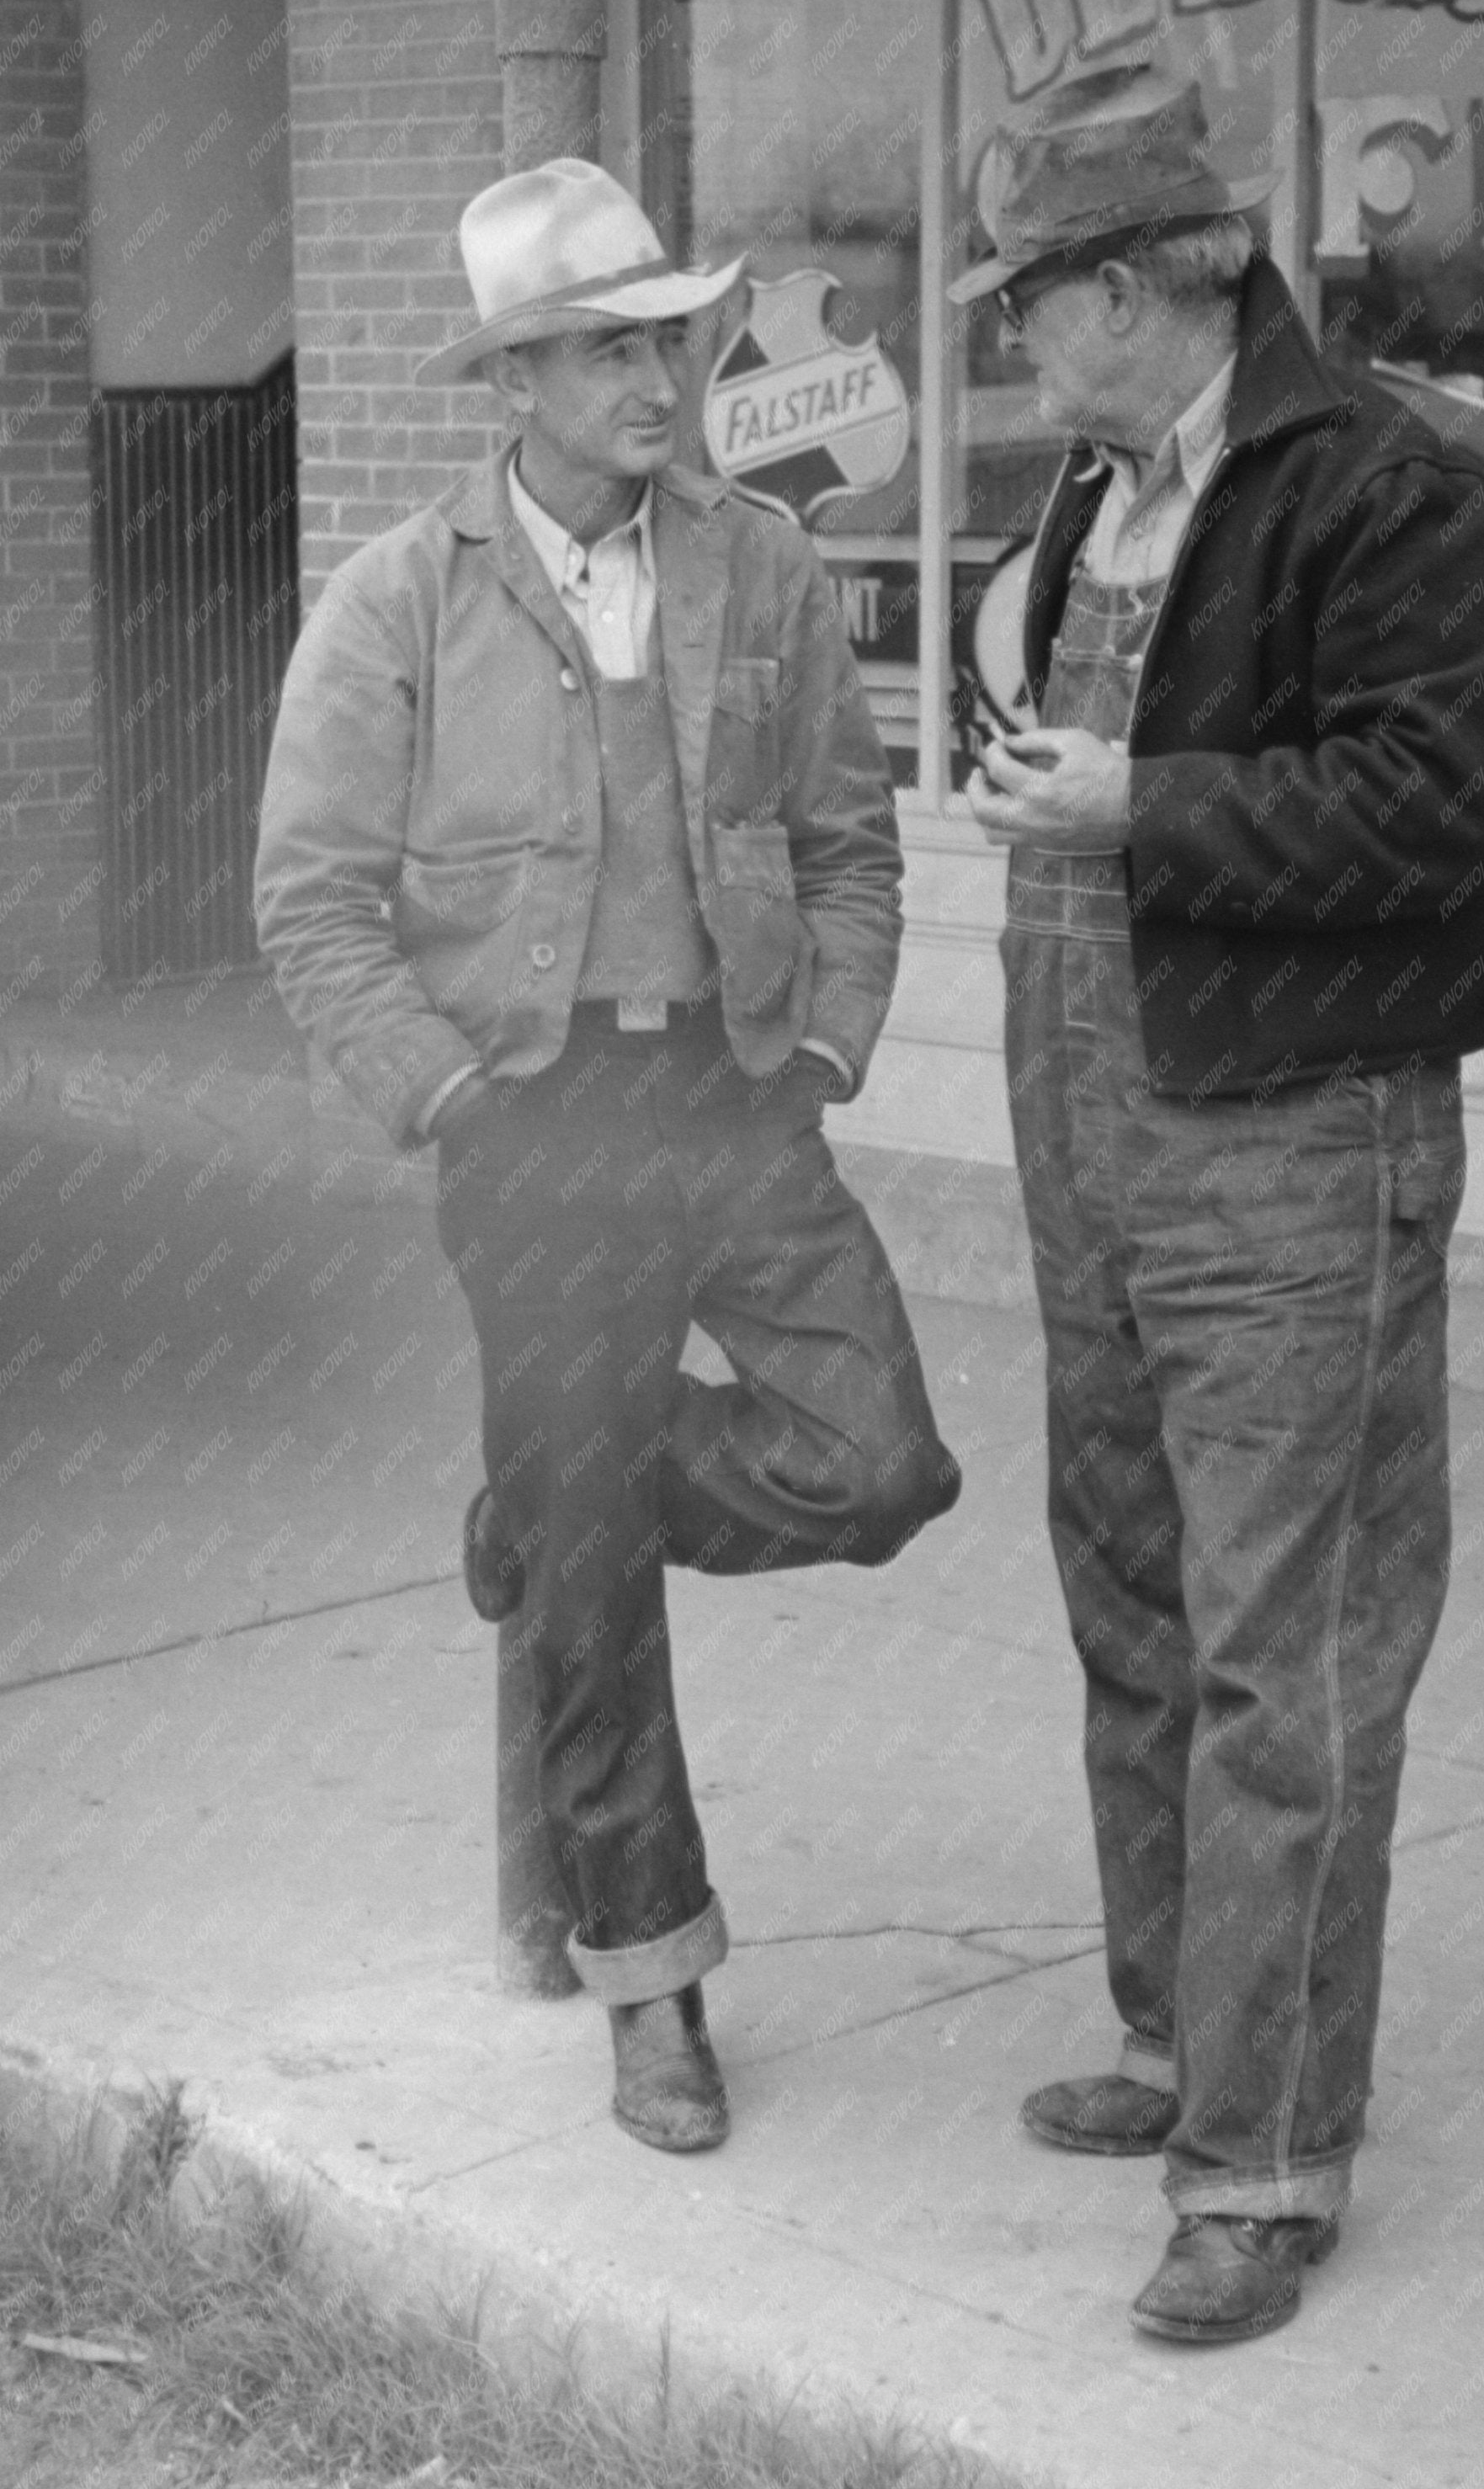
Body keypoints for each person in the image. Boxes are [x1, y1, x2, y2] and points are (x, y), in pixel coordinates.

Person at [254, 157, 960, 2155]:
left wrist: (822, 1042)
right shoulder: (401, 595)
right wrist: (453, 1098)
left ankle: (552, 1502)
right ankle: (652, 1982)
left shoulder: (761, 567)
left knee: (880, 1456)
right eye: (608, 347)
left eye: (671, 335)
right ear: (517, 381)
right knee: (600, 1599)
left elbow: (846, 836)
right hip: (531, 1127)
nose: (662, 373)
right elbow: (308, 900)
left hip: (732, 1102)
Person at [952, 66, 1484, 2343]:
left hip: (1295, 1132)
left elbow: (1431, 806)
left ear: (1123, 291)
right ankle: (1177, 2029)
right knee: (1124, 1579)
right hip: (1088, 1101)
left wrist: (1135, 798)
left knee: (1278, 1647)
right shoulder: (1096, 485)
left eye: (1027, 303)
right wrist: (1070, 784)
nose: (1016, 345)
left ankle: (1268, 2158)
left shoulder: (1386, 484)